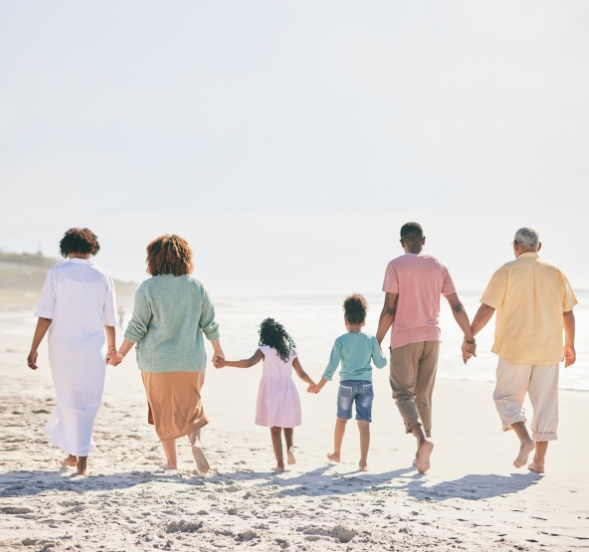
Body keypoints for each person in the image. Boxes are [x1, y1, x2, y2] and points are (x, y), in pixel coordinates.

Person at [109, 235, 224, 475]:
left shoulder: (148, 287)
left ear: (154, 259)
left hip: (156, 361)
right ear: (186, 258)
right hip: (191, 360)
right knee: (192, 406)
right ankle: (196, 444)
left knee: (162, 411)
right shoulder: (197, 286)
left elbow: (138, 326)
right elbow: (209, 324)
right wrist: (218, 352)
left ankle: (172, 462)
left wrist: (120, 353)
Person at [468, 227, 577, 473]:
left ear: (516, 246)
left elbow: (487, 308)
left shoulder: (506, 270)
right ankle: (539, 462)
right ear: (538, 247)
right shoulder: (556, 272)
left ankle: (524, 439)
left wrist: (469, 336)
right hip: (549, 349)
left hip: (515, 348)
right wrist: (569, 345)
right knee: (546, 405)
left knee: (506, 398)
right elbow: (568, 313)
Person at [375, 222, 476, 474]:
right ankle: (421, 453)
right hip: (432, 338)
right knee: (424, 396)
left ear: (402, 243)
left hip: (404, 338)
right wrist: (469, 337)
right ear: (424, 239)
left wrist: (375, 341)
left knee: (402, 394)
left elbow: (389, 309)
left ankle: (422, 440)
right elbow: (456, 306)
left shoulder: (395, 265)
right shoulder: (438, 265)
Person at [28, 228, 117, 476]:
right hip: (93, 348)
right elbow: (109, 318)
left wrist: (33, 347)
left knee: (67, 396)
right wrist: (112, 349)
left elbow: (45, 315)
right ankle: (78, 458)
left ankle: (76, 455)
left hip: (62, 346)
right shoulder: (102, 275)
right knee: (89, 399)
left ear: (66, 247)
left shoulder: (57, 273)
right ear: (93, 248)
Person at [216, 318, 315, 473]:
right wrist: (312, 383)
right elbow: (301, 373)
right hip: (289, 389)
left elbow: (248, 363)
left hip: (272, 391)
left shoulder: (264, 349)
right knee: (288, 423)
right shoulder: (290, 351)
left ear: (264, 335)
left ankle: (280, 464)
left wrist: (226, 362)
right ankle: (290, 448)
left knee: (275, 428)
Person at [310, 294, 387, 472]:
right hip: (366, 386)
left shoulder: (340, 341)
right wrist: (383, 354)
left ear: (345, 320)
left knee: (341, 419)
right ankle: (363, 463)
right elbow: (380, 364)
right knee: (364, 423)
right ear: (364, 322)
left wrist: (318, 386)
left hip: (346, 385)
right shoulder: (371, 340)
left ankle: (337, 453)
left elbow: (331, 367)